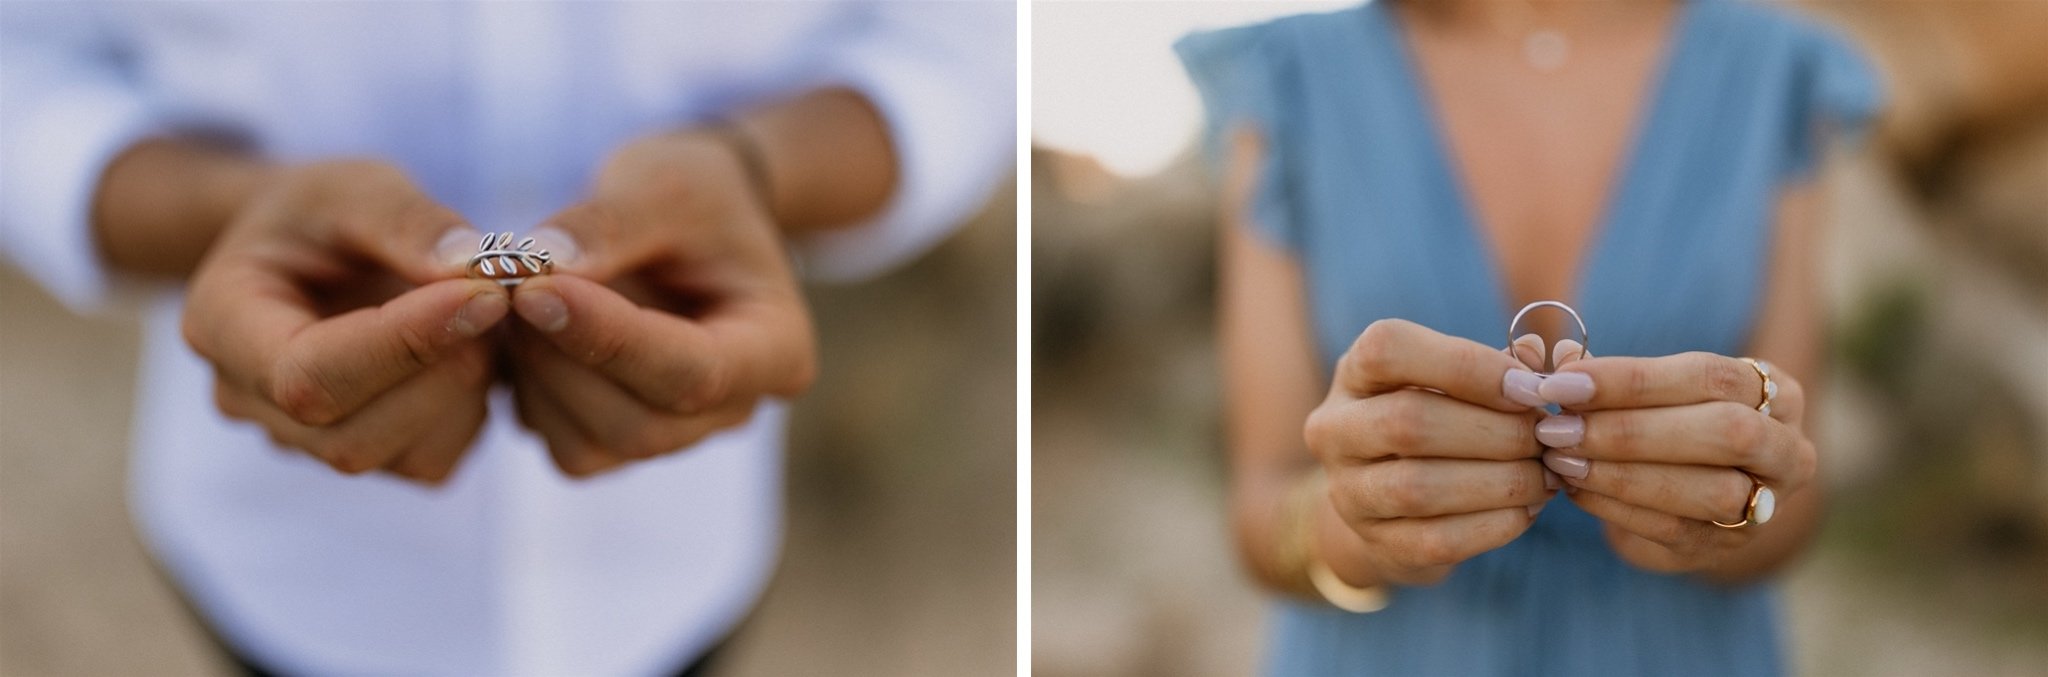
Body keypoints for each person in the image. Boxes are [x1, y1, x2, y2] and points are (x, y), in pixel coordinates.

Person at [0, 3, 1012, 675]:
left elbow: (964, 47)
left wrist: (757, 171)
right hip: (288, 563)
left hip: (677, 560)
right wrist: (219, 210)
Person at [1179, 0, 1879, 673]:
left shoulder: (1775, 72)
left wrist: (1724, 516)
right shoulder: (1289, 74)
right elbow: (1258, 511)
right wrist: (1357, 527)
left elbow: (1792, 495)